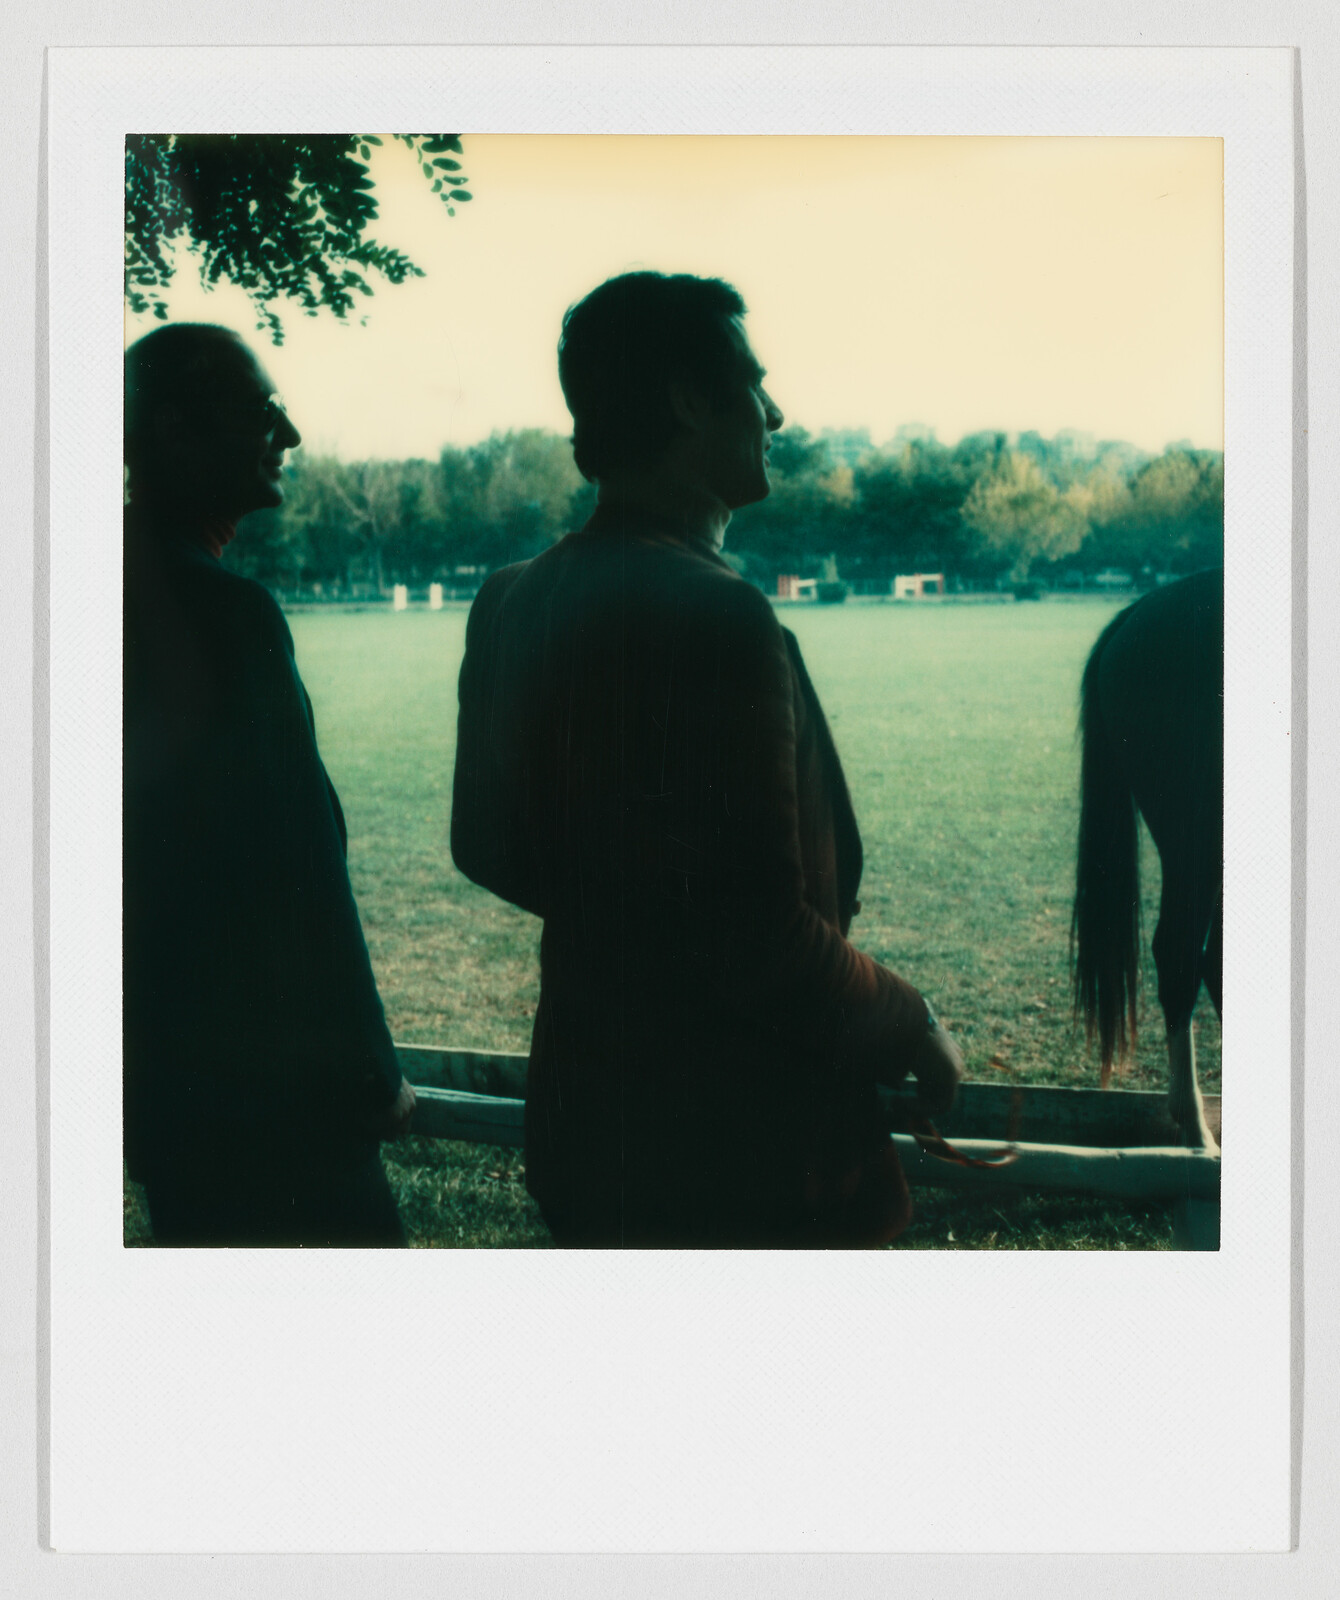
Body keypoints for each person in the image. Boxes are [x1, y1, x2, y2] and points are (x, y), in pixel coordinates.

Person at [451, 272, 963, 1247]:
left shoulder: (509, 598)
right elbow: (756, 930)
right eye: (753, 384)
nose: (774, 412)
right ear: (688, 399)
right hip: (751, 1157)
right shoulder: (719, 612)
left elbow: (484, 844)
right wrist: (911, 1020)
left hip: (586, 1131)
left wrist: (633, 924)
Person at [123, 322, 415, 1246]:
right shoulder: (224, 612)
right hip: (272, 1104)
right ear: (169, 429)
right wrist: (373, 1069)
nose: (286, 433)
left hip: (161, 1084)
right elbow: (296, 867)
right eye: (259, 410)